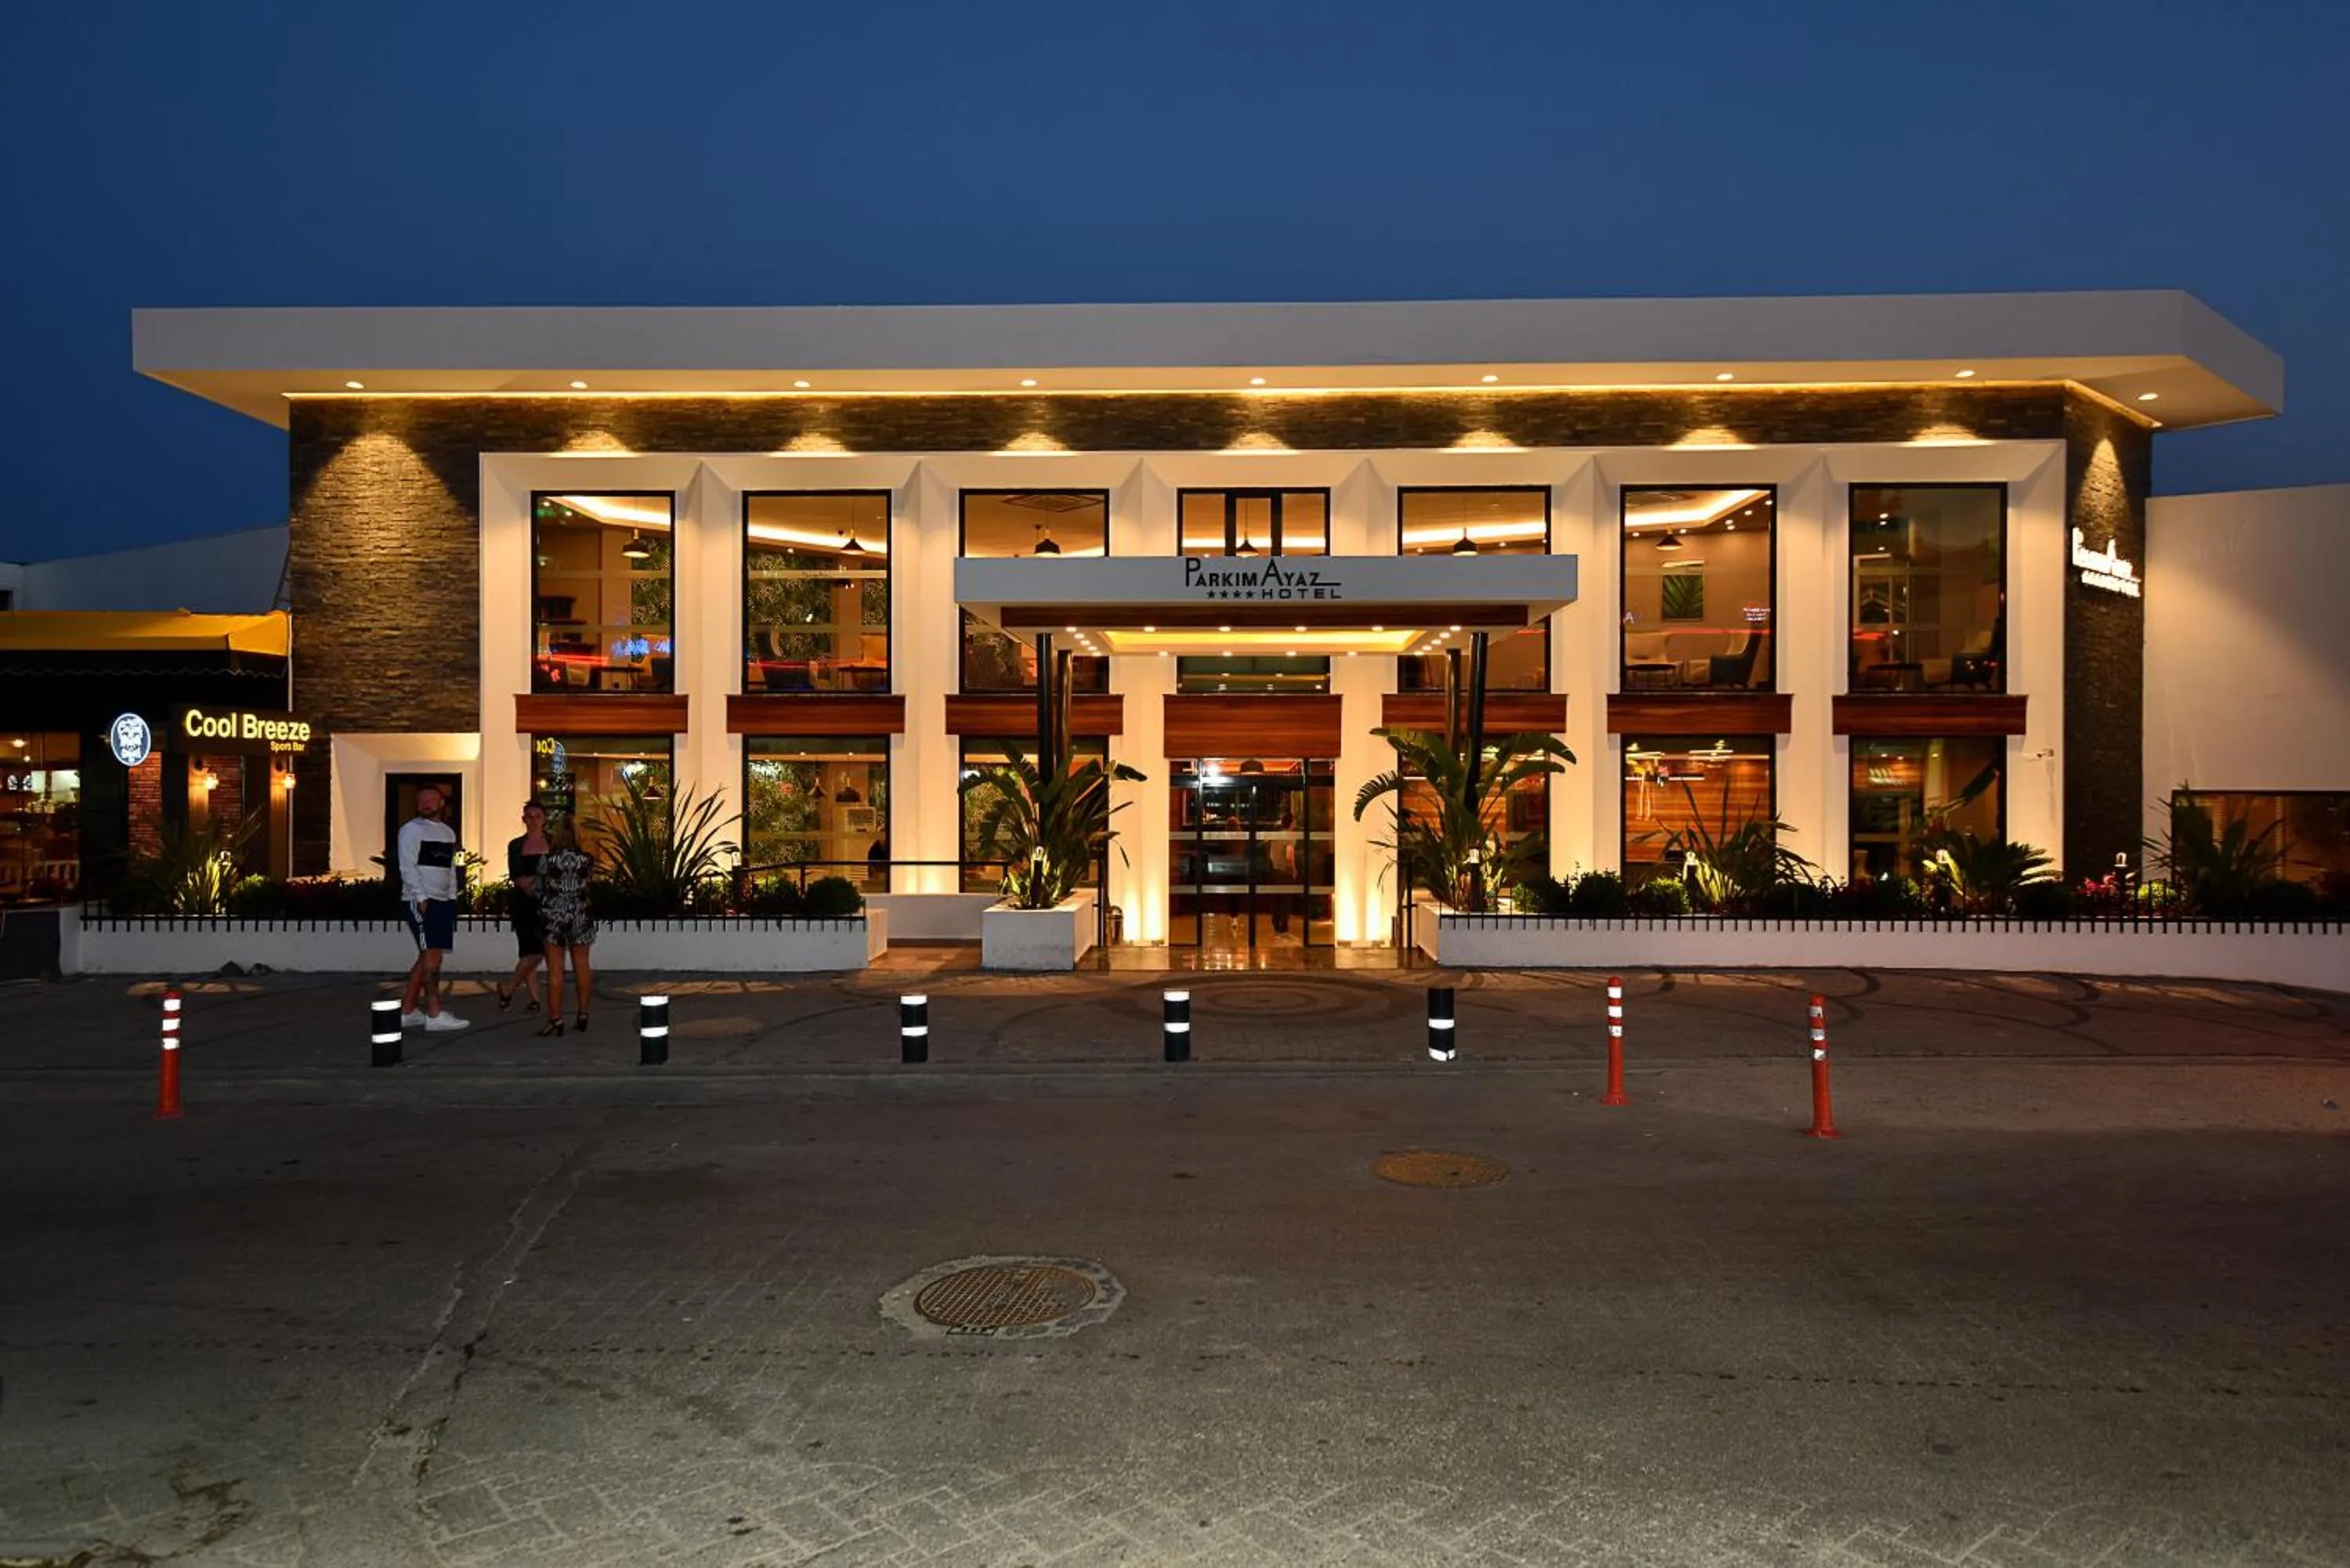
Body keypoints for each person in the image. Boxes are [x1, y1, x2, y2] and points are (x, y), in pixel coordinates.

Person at [397, 784, 468, 1031]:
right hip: (421, 902)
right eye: (422, 800)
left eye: (431, 800)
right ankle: (435, 1013)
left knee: (427, 956)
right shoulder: (411, 831)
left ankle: (407, 1011)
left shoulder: (448, 833)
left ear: (441, 804)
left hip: (442, 901)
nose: (426, 804)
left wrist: (451, 897)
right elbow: (407, 867)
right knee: (432, 957)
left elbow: (449, 868)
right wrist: (420, 897)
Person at [536, 816, 597, 1036]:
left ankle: (555, 1018)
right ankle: (583, 1013)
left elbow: (538, 887)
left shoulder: (547, 861)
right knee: (582, 965)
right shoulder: (587, 859)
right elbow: (588, 883)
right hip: (580, 914)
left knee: (555, 969)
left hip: (554, 916)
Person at [496, 799, 550, 1012]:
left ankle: (509, 988)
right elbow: (519, 878)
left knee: (538, 952)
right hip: (524, 904)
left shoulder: (553, 842)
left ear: (544, 819)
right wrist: (541, 880)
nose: (534, 821)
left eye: (538, 816)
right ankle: (534, 998)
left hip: (549, 905)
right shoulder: (516, 845)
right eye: (530, 816)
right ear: (524, 819)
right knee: (531, 952)